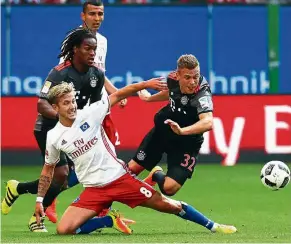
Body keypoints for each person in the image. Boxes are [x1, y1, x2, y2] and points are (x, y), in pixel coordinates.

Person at [34, 81, 237, 235]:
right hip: (93, 190)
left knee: (169, 205)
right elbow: (48, 168)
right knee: (64, 230)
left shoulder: (90, 113)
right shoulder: (54, 137)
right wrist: (40, 200)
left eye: (73, 101)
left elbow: (122, 92)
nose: (72, 106)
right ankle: (108, 221)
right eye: (66, 103)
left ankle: (214, 226)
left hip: (119, 179)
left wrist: (146, 84)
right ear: (55, 107)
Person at [1, 27, 133, 232]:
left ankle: (17, 188)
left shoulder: (96, 75)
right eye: (88, 48)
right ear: (75, 50)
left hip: (74, 130)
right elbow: (41, 105)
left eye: (94, 49)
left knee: (71, 177)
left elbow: (95, 105)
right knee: (61, 174)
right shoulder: (59, 72)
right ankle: (37, 217)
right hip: (49, 128)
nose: (92, 53)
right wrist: (62, 117)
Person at [45, 0, 126, 222]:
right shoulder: (75, 40)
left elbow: (99, 72)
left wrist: (113, 93)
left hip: (100, 108)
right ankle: (53, 199)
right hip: (83, 111)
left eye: (100, 14)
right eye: (92, 14)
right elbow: (67, 75)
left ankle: (99, 209)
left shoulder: (103, 41)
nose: (97, 18)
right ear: (83, 16)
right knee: (92, 162)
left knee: (106, 160)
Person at [130, 54, 213, 197]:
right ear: (178, 75)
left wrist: (181, 131)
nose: (193, 82)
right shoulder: (171, 79)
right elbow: (171, 93)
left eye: (196, 76)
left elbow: (208, 122)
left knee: (170, 188)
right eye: (187, 77)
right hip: (162, 132)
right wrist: (149, 98)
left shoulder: (202, 93)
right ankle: (105, 209)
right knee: (130, 170)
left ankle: (156, 174)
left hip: (187, 142)